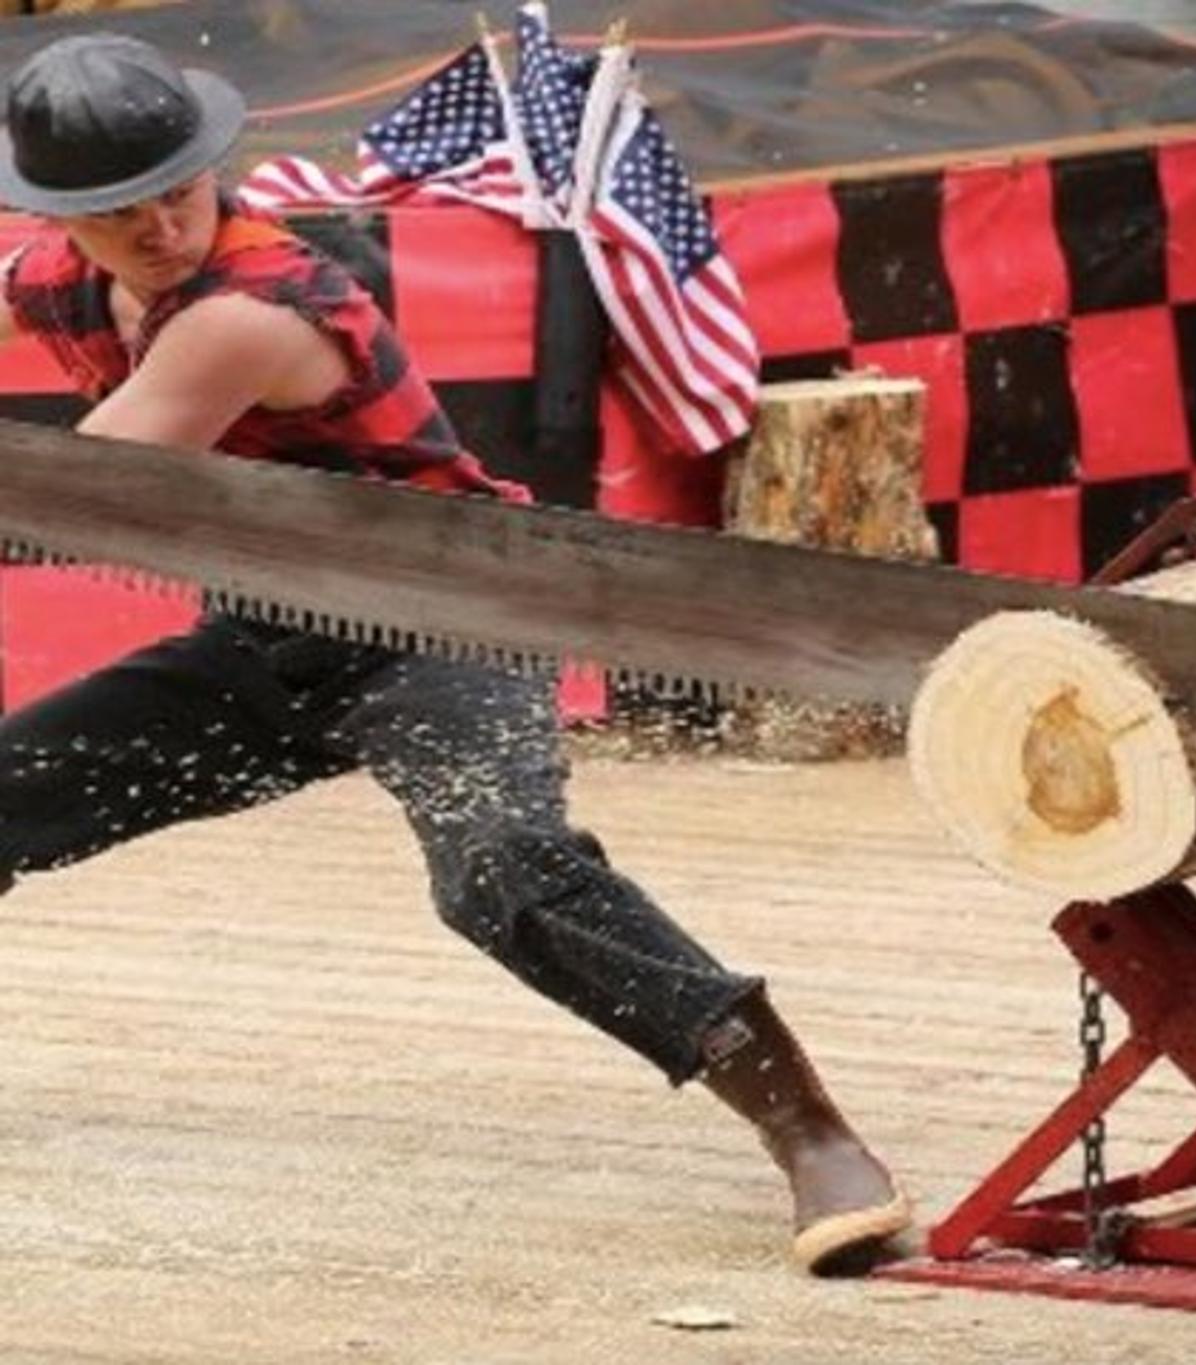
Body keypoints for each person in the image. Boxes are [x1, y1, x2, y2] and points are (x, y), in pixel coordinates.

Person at [0, 32, 910, 1274]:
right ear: (65, 214)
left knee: (503, 869)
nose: (161, 226)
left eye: (179, 188)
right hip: (274, 630)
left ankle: (809, 1130)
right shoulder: (54, 276)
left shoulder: (255, 308)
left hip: (443, 621)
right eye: (121, 210)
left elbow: (68, 502)